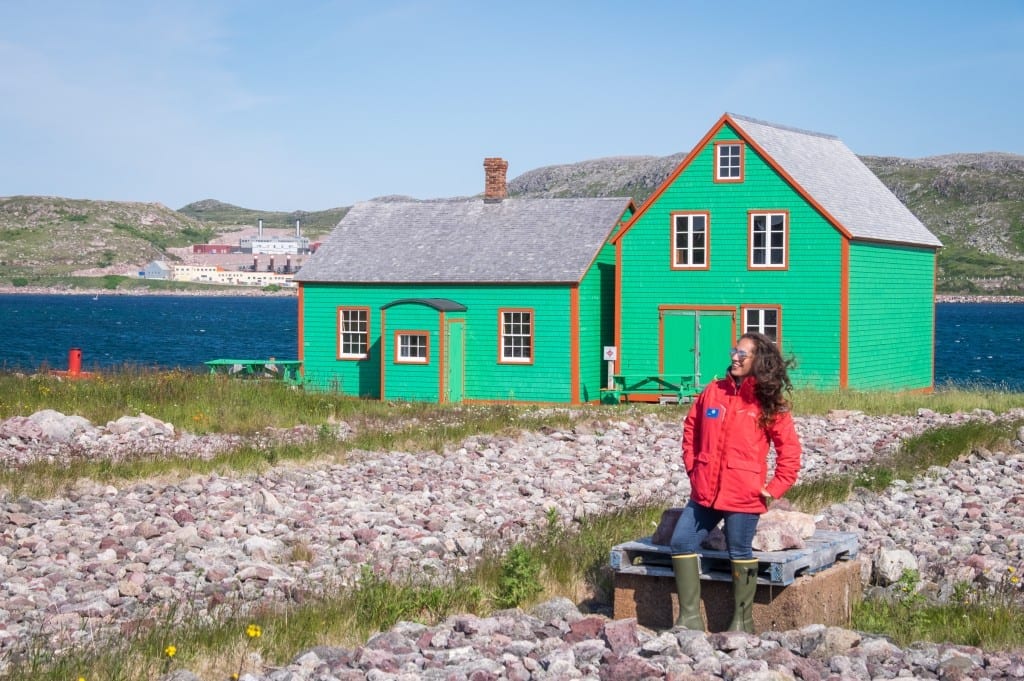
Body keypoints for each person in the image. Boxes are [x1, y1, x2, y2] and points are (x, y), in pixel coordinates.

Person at [669, 332, 802, 633]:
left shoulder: (769, 402)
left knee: (739, 552)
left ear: (759, 361)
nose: (735, 357)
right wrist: (694, 467)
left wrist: (775, 487)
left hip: (744, 493)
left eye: (743, 354)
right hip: (704, 492)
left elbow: (790, 452)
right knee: (681, 541)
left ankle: (742, 623)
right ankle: (689, 619)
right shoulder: (713, 391)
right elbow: (691, 429)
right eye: (734, 351)